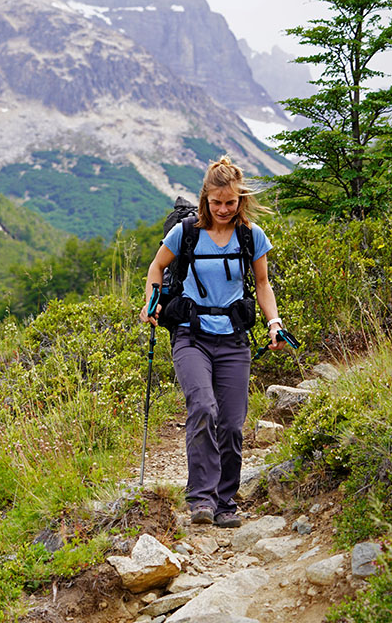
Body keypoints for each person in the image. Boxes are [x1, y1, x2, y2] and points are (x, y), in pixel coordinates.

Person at [139, 156, 284, 528]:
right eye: (216, 202)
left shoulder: (252, 235)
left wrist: (274, 323)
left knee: (233, 425)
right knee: (203, 407)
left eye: (230, 202)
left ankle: (225, 501)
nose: (223, 209)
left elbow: (263, 284)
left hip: (234, 339)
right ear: (205, 198)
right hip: (190, 334)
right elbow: (157, 267)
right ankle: (201, 499)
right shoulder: (185, 232)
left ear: (240, 200)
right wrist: (151, 302)